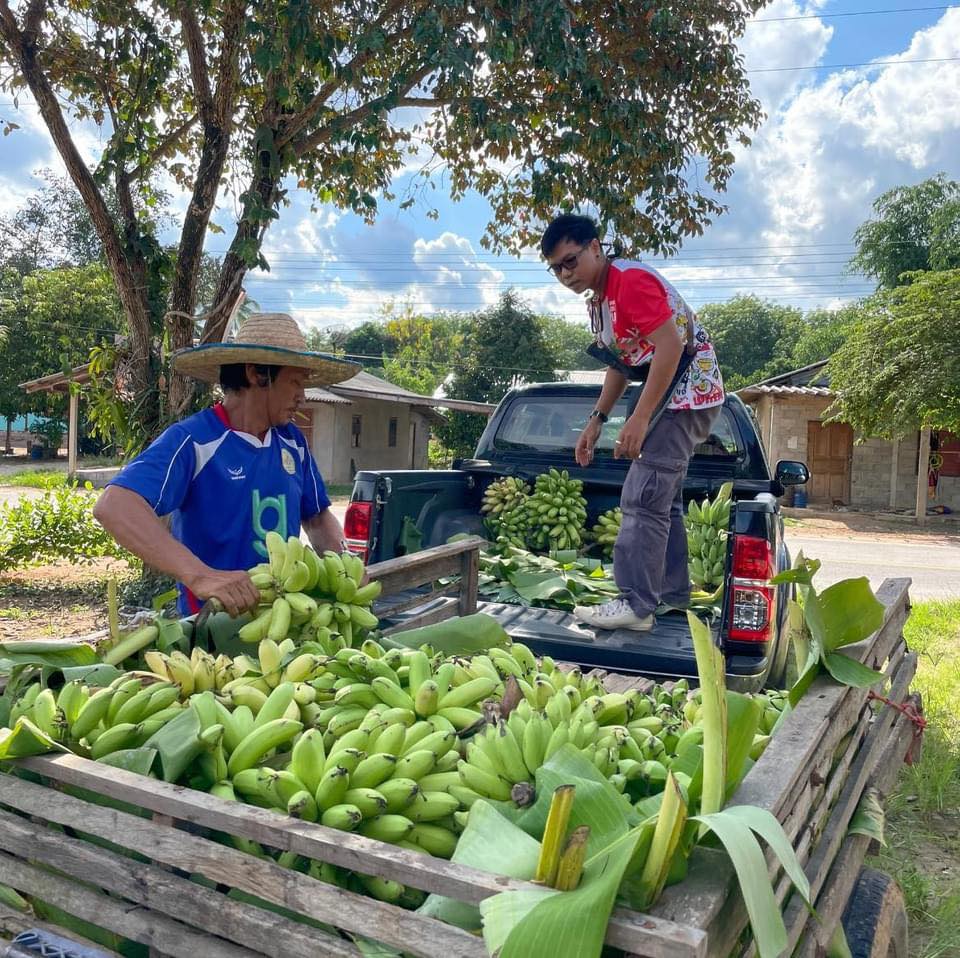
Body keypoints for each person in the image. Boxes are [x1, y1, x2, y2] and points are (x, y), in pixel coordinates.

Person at [93, 312, 360, 618]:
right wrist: (200, 575)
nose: (302, 397)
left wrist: (345, 565)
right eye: (295, 382)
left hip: (287, 619)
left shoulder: (292, 442)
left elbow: (316, 518)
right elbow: (114, 506)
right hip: (213, 627)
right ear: (257, 374)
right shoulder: (194, 440)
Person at [540, 214, 725, 631]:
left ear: (595, 248)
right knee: (662, 500)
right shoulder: (601, 299)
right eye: (556, 268)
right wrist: (596, 421)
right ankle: (671, 594)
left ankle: (637, 605)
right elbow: (620, 366)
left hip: (686, 395)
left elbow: (671, 346)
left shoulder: (628, 283)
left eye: (571, 261)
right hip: (668, 396)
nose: (566, 274)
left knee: (642, 496)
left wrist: (639, 418)